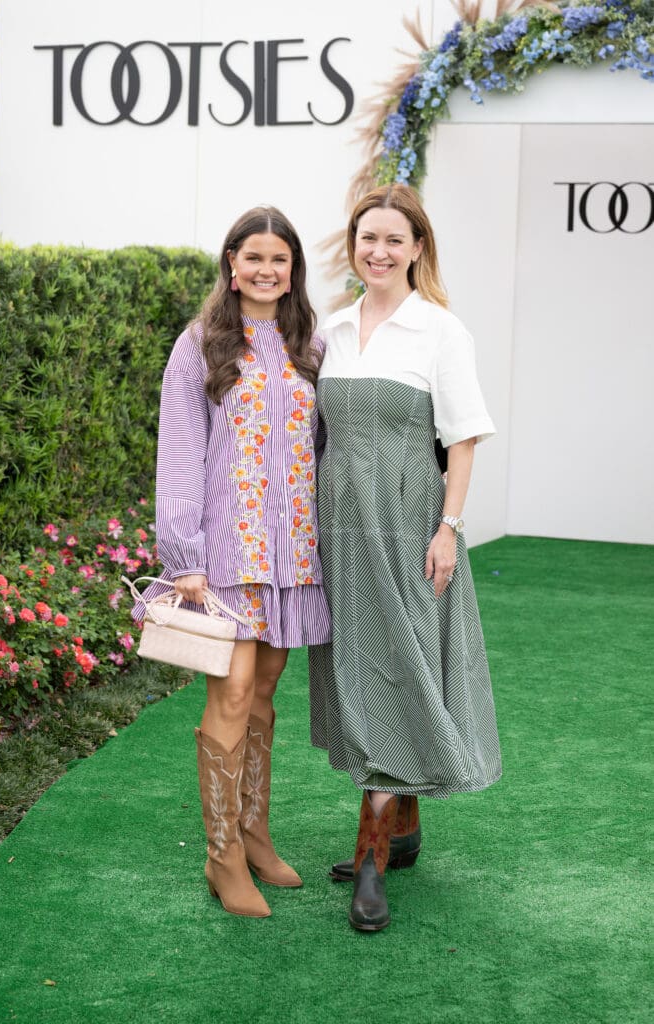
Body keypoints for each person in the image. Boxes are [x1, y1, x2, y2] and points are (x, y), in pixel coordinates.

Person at [309, 184, 501, 932]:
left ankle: (370, 859)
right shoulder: (330, 329)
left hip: (407, 528)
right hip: (339, 533)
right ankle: (405, 828)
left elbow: (461, 438)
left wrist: (448, 527)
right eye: (367, 239)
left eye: (394, 239)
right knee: (360, 668)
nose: (379, 252)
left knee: (400, 668)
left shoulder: (439, 331)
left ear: (417, 248)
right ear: (352, 247)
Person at [139, 206, 331, 919]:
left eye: (278, 259)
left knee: (264, 691)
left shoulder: (308, 342)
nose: (265, 270)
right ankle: (221, 857)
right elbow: (181, 452)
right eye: (253, 256)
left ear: (291, 271)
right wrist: (183, 554)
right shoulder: (200, 344)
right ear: (230, 262)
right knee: (230, 690)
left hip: (291, 551)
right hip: (224, 551)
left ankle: (255, 832)